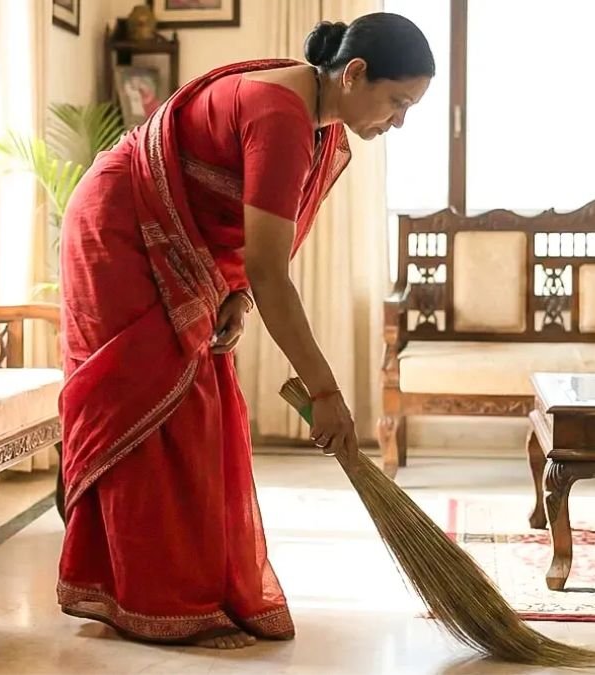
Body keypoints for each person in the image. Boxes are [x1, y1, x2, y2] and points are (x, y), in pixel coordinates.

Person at [57, 13, 434, 650]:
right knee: (156, 403)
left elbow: (249, 240)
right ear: (354, 73)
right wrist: (326, 392)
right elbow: (269, 269)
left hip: (179, 245)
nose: (399, 121)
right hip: (123, 231)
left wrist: (235, 294)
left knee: (203, 410)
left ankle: (191, 589)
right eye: (398, 102)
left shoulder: (317, 122)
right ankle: (150, 599)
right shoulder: (283, 115)